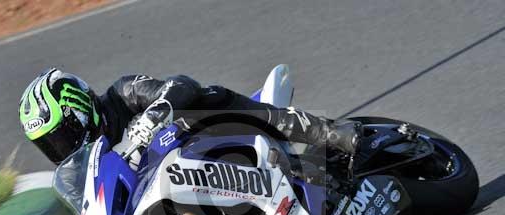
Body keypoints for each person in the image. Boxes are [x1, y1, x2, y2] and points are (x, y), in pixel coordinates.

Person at [19, 68, 360, 166]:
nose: (61, 148)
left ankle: (332, 134)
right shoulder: (94, 166)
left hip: (215, 133)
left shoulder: (123, 93)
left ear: (78, 109)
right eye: (50, 145)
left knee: (208, 100)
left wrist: (156, 114)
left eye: (62, 135)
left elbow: (182, 85)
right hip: (188, 181)